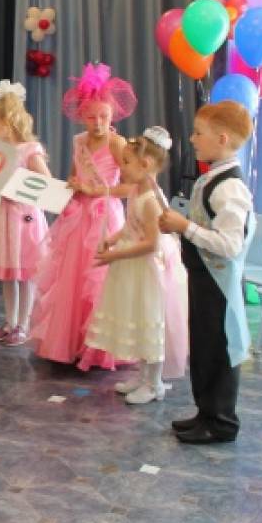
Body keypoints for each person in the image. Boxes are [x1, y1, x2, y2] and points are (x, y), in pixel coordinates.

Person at [159, 101, 255, 445]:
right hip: (204, 280)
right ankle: (206, 412)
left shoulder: (229, 187)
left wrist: (185, 227)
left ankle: (222, 421)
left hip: (219, 285)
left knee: (218, 351)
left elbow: (230, 244)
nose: (193, 138)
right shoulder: (212, 177)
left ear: (223, 139)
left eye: (199, 133)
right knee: (203, 347)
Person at [29, 63, 137, 368]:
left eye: (104, 116)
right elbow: (73, 176)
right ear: (82, 116)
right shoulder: (79, 141)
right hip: (79, 218)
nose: (98, 123)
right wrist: (72, 187)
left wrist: (96, 190)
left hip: (105, 219)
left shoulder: (117, 143)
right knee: (72, 279)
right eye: (91, 117)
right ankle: (71, 343)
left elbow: (130, 186)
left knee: (99, 282)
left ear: (112, 115)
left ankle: (101, 348)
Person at [85, 128, 189, 404]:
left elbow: (152, 244)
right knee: (138, 320)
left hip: (147, 269)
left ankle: (154, 383)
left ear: (145, 165)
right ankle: (142, 376)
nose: (121, 167)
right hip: (133, 265)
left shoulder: (151, 201)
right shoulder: (135, 191)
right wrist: (112, 239)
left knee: (149, 321)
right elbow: (131, 226)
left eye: (126, 162)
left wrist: (116, 255)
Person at [0, 82, 51, 347]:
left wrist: (15, 186)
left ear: (7, 122)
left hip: (21, 219)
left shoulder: (29, 150)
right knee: (9, 272)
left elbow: (45, 183)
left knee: (24, 274)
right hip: (2, 216)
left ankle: (23, 324)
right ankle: (10, 321)